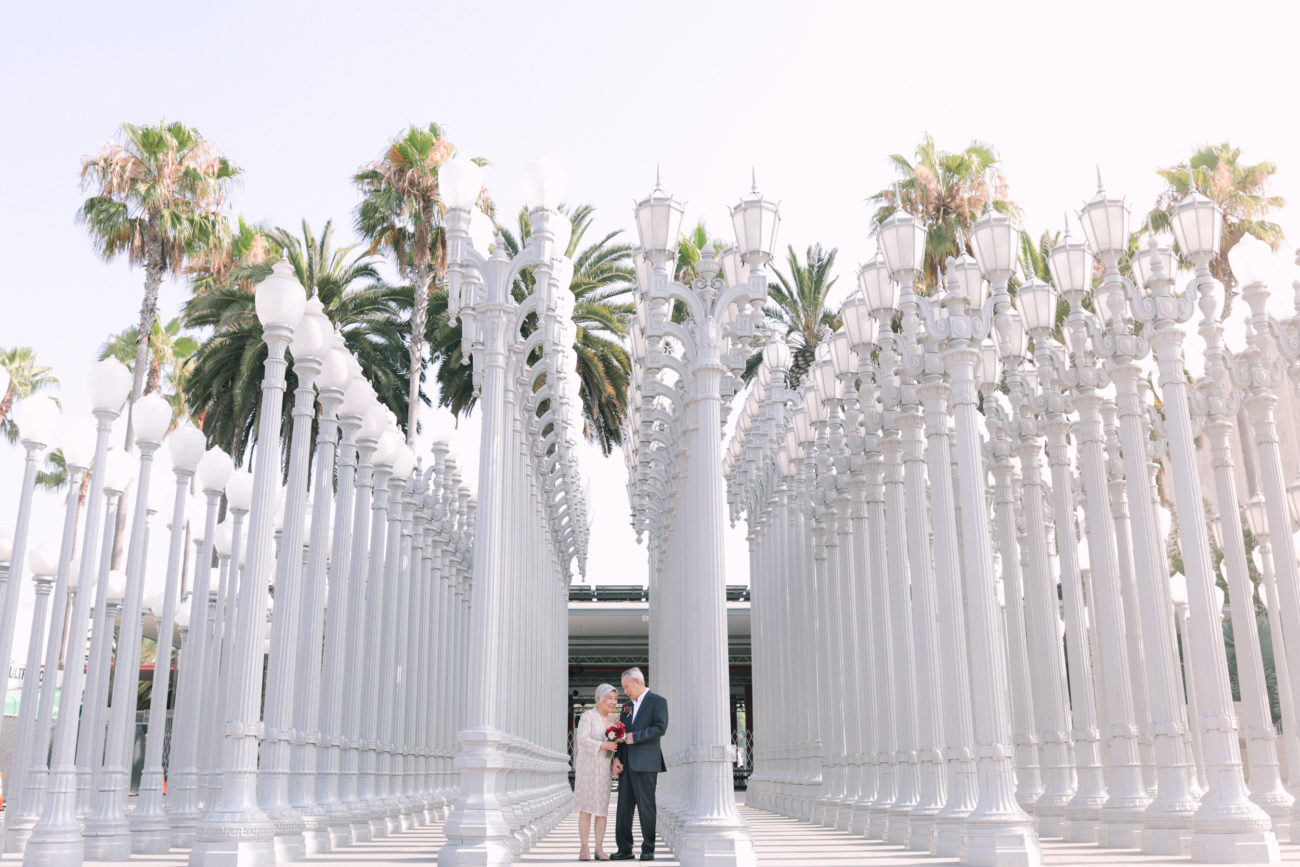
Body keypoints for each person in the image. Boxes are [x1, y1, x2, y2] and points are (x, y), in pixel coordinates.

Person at [610, 667, 667, 861]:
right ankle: (624, 848)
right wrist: (616, 758)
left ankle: (648, 848)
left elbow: (660, 728)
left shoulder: (658, 702)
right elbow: (620, 734)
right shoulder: (626, 707)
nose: (625, 691)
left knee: (646, 807)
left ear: (637, 682)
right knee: (623, 809)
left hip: (647, 763)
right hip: (626, 764)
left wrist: (636, 737)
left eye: (627, 687)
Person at [574, 683, 620, 860]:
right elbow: (582, 740)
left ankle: (599, 849)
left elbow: (614, 748)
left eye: (615, 699)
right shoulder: (588, 716)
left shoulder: (614, 722)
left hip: (604, 771)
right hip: (588, 769)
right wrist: (602, 744)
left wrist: (615, 759)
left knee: (602, 810)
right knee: (586, 809)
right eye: (610, 698)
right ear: (598, 698)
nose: (613, 702)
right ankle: (584, 848)